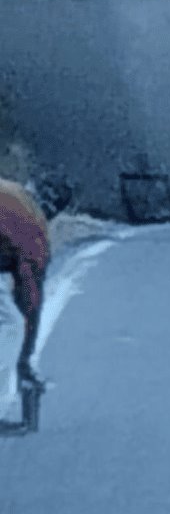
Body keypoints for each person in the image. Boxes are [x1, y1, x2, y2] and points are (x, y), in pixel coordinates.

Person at [0, 176, 70, 432]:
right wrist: (25, 360)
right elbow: (29, 300)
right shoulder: (34, 231)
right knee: (11, 325)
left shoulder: (15, 193)